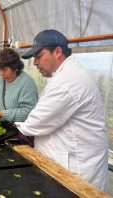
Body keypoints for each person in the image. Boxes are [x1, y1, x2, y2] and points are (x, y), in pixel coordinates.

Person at [14, 29, 108, 191]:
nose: (35, 63)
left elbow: (35, 124)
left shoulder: (67, 82)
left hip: (77, 172)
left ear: (57, 52)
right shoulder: (65, 75)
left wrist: (13, 130)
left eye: (38, 56)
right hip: (66, 163)